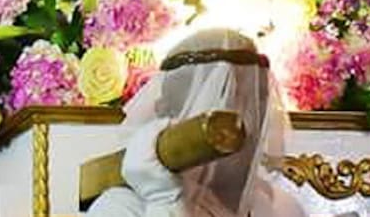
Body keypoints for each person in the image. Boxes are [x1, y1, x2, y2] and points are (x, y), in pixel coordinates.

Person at [87, 28, 306, 216]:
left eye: (258, 100)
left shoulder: (280, 206)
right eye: (230, 98)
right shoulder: (119, 207)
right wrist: (165, 200)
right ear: (168, 112)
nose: (250, 122)